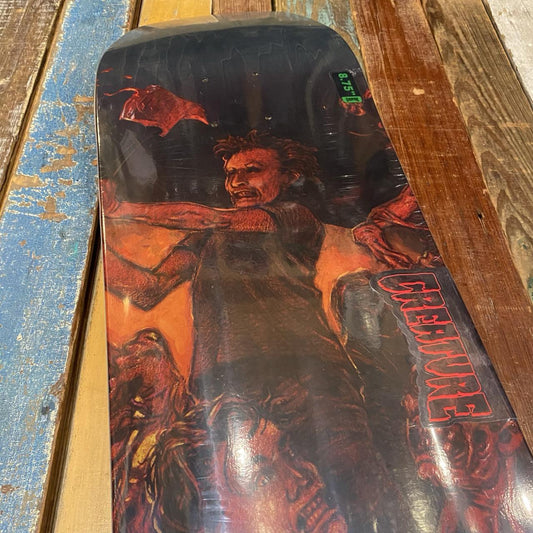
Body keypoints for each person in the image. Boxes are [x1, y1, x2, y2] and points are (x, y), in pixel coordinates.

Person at [102, 129, 358, 383]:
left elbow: (211, 219)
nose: (237, 182)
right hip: (221, 383)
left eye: (253, 170)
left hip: (305, 375)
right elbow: (148, 290)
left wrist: (118, 208)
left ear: (289, 177)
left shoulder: (294, 215)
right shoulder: (206, 238)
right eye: (230, 173)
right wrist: (97, 249)